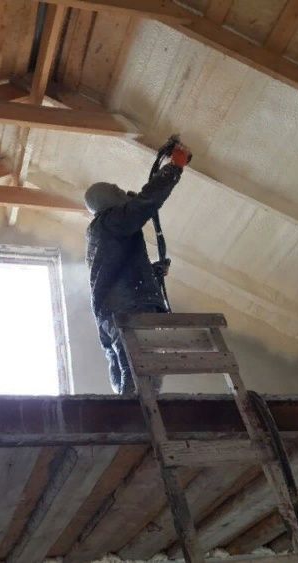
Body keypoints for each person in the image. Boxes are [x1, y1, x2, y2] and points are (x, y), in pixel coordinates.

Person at [84, 143, 191, 395]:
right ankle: (135, 416)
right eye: (116, 190)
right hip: (129, 311)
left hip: (114, 313)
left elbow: (118, 271)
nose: (122, 192)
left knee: (133, 376)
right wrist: (174, 168)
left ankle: (131, 413)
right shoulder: (112, 221)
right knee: (141, 375)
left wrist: (153, 273)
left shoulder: (103, 232)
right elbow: (145, 204)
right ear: (106, 201)